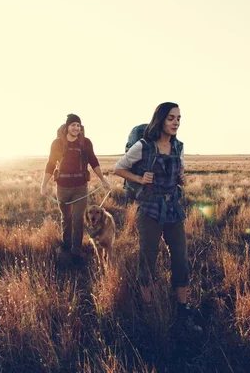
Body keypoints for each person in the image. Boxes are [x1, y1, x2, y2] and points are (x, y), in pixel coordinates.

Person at [113, 102, 197, 329]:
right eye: (171, 118)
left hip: (173, 208)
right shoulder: (143, 146)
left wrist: (181, 178)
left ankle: (182, 310)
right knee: (148, 259)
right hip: (149, 208)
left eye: (179, 118)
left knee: (180, 257)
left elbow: (180, 171)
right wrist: (140, 179)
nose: (176, 123)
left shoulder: (178, 147)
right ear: (160, 120)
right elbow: (118, 168)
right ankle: (148, 309)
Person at [41, 114, 111, 264]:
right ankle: (66, 246)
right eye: (73, 125)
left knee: (78, 219)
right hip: (62, 188)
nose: (76, 128)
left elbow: (93, 161)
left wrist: (103, 179)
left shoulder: (85, 142)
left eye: (78, 125)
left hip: (81, 188)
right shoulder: (57, 143)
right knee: (66, 218)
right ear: (67, 127)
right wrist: (44, 184)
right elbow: (51, 163)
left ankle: (76, 252)